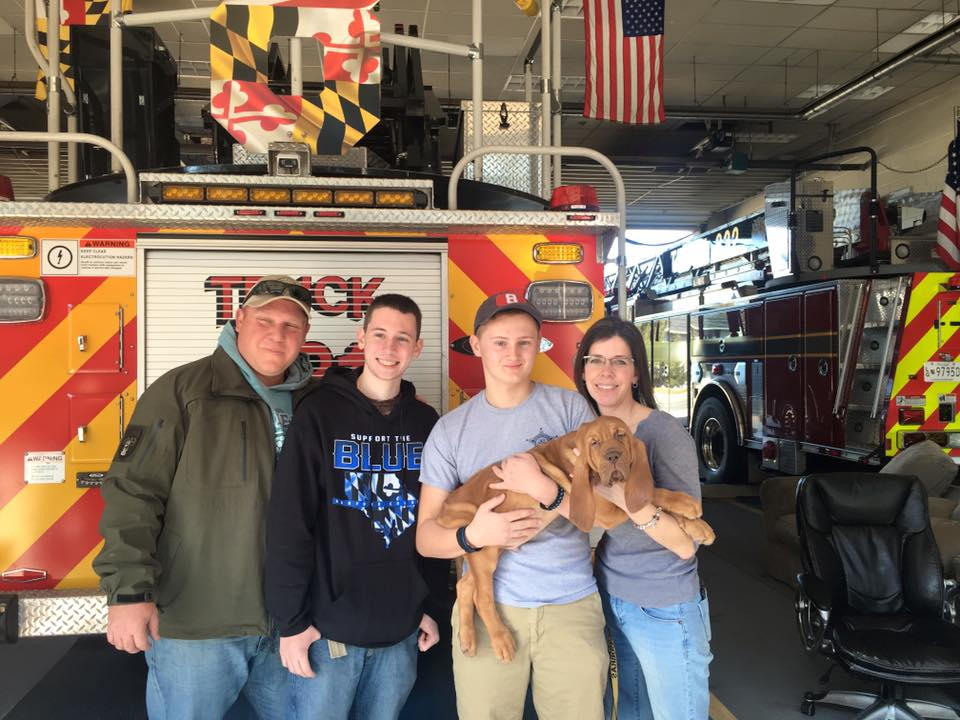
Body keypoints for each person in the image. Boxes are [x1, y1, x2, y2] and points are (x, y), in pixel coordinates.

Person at [93, 275, 316, 720]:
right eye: (265, 320)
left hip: (291, 624)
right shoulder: (182, 392)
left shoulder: (316, 401)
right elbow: (133, 491)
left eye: (291, 326)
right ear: (238, 320)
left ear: (304, 336)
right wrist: (128, 593)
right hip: (198, 624)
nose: (278, 335)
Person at [416, 291, 609, 720]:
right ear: (477, 344)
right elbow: (427, 538)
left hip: (570, 608)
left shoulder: (571, 410)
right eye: (500, 341)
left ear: (539, 345)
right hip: (489, 613)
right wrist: (474, 536)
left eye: (526, 341)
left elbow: (601, 512)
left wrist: (546, 491)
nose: (514, 353)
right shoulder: (451, 431)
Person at [518, 316, 712, 720]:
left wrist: (623, 498)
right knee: (632, 712)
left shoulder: (662, 433)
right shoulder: (588, 434)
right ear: (583, 369)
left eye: (620, 362)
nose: (606, 373)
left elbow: (684, 545)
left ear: (636, 371)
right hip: (613, 596)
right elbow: (591, 518)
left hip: (664, 606)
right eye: (596, 360)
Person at [265, 293, 443, 720]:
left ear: (417, 348)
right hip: (328, 634)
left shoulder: (427, 423)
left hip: (402, 632)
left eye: (403, 338)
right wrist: (291, 623)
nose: (389, 347)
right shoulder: (319, 414)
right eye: (379, 334)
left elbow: (435, 520)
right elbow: (290, 522)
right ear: (361, 337)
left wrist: (432, 607)